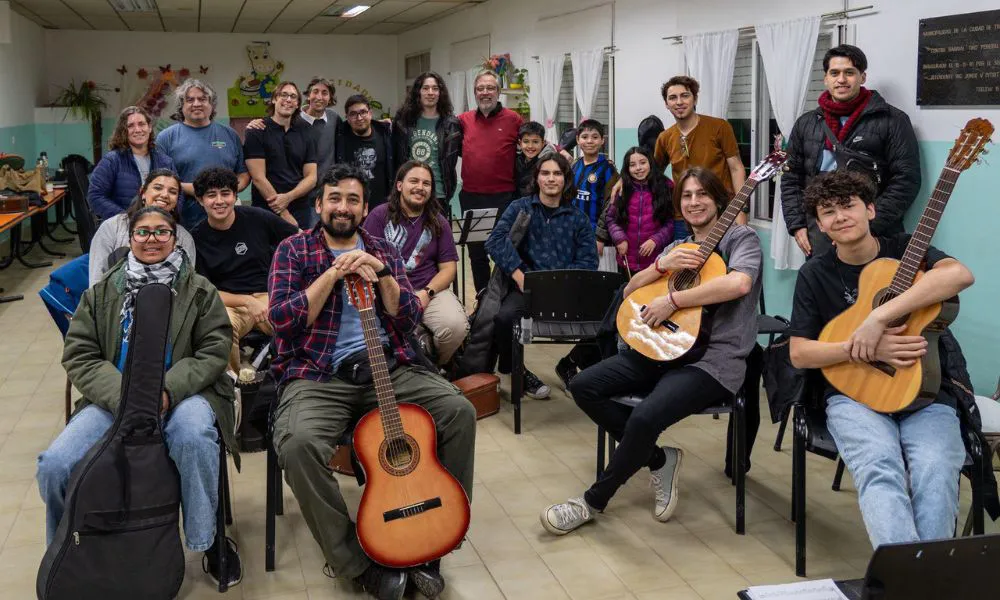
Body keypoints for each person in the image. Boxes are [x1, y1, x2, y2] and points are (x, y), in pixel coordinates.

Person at [268, 164, 476, 600]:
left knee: (458, 411)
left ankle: (438, 532)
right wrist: (331, 274)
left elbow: (408, 317)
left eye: (353, 200)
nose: (343, 207)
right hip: (319, 374)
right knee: (298, 445)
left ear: (366, 209)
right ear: (319, 204)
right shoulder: (293, 250)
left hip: (388, 364)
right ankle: (356, 563)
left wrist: (382, 274)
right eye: (335, 198)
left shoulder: (382, 248)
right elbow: (283, 321)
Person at [540, 167, 761, 535]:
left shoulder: (742, 238)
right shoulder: (677, 247)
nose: (694, 202)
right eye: (687, 195)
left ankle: (591, 502)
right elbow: (630, 291)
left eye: (702, 194)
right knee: (583, 385)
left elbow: (739, 283)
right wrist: (662, 264)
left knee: (644, 418)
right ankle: (659, 458)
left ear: (719, 200)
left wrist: (673, 300)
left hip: (712, 360)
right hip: (659, 348)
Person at [37, 205, 242, 588]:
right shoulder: (101, 292)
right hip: (114, 400)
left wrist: (165, 390)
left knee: (193, 436)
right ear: (130, 238)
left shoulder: (199, 290)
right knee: (55, 465)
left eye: (162, 231)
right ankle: (68, 547)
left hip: (182, 394)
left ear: (175, 239)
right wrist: (127, 396)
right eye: (143, 232)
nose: (152, 239)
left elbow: (214, 350)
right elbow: (79, 354)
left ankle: (207, 541)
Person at [787, 170, 974, 548]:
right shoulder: (814, 274)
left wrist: (879, 317)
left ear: (870, 210)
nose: (840, 217)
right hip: (853, 396)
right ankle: (907, 573)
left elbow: (959, 275)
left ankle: (919, 571)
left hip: (926, 393)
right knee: (879, 465)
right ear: (819, 225)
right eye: (828, 211)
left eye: (848, 206)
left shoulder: (906, 249)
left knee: (936, 469)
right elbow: (799, 353)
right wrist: (861, 347)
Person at [781, 44, 921, 258]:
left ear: (862, 77)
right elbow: (791, 177)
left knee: (876, 280)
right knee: (824, 280)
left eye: (849, 72)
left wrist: (868, 223)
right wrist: (797, 224)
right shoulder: (806, 123)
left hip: (875, 230)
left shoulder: (892, 120)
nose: (841, 79)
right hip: (821, 229)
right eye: (834, 73)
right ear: (826, 78)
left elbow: (906, 180)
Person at [485, 154, 598, 400]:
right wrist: (518, 274)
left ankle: (572, 364)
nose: (551, 179)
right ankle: (516, 370)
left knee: (609, 319)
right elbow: (495, 241)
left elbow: (589, 261)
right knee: (504, 319)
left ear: (566, 180)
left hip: (565, 291)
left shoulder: (577, 218)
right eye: (545, 173)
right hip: (526, 288)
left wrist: (563, 282)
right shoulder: (520, 207)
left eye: (557, 173)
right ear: (536, 178)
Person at [190, 167, 297, 376]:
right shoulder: (197, 238)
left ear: (235, 195)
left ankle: (288, 374)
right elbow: (207, 292)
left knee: (298, 319)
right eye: (211, 195)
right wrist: (247, 302)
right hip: (231, 304)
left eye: (225, 193)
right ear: (200, 200)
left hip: (269, 295)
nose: (219, 201)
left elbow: (297, 241)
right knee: (220, 328)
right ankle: (233, 383)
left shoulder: (257, 217)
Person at [362, 161, 468, 365]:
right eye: (414, 181)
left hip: (428, 291)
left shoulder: (439, 221)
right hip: (387, 292)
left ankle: (434, 367)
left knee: (455, 327)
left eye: (426, 183)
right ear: (399, 185)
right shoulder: (379, 216)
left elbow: (448, 269)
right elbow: (366, 259)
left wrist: (427, 293)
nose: (420, 187)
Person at [458, 70, 524, 293]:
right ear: (474, 92)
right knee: (477, 254)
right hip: (471, 197)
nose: (485, 92)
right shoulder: (463, 120)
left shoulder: (514, 119)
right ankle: (483, 299)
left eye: (490, 88)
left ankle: (504, 300)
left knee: (505, 251)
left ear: (498, 91)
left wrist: (560, 151)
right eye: (480, 88)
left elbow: (533, 143)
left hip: (504, 199)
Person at [653, 76, 747, 225]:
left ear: (695, 99)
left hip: (721, 213)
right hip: (684, 217)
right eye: (672, 98)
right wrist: (622, 181)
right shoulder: (665, 138)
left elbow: (736, 169)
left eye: (685, 95)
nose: (679, 102)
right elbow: (652, 174)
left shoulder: (719, 127)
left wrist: (740, 211)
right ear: (666, 104)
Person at [156, 79, 250, 227]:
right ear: (182, 106)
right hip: (182, 220)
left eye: (202, 99)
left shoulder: (230, 135)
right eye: (190, 100)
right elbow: (160, 180)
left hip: (226, 219)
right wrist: (201, 190)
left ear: (211, 104)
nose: (196, 104)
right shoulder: (166, 138)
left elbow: (243, 174)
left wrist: (224, 193)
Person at [89, 168, 196, 286]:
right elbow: (96, 281)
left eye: (173, 192)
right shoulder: (112, 227)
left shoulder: (184, 237)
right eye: (158, 188)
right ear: (143, 192)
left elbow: (187, 285)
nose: (165, 195)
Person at [243, 80, 318, 228]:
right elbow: (258, 178)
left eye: (293, 96)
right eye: (283, 95)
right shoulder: (257, 131)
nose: (288, 100)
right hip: (266, 209)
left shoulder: (306, 132)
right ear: (274, 99)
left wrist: (288, 197)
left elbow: (311, 177)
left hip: (301, 210)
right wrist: (283, 212)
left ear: (297, 104)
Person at [88, 106, 176, 220]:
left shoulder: (165, 161)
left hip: (160, 224)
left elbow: (178, 194)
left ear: (149, 127)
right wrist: (126, 218)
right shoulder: (112, 161)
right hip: (123, 226)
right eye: (130, 126)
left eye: (141, 124)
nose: (137, 130)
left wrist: (166, 218)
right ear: (123, 131)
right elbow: (95, 196)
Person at [392, 72, 462, 213]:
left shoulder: (451, 124)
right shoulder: (403, 121)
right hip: (409, 192)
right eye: (425, 88)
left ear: (440, 93)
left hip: (439, 194)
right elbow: (394, 156)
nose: (430, 92)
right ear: (418, 92)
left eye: (435, 88)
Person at [606, 146, 675, 275]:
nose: (638, 168)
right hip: (626, 261)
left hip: (656, 262)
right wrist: (619, 238)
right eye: (632, 165)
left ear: (650, 163)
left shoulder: (665, 187)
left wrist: (656, 240)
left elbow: (671, 222)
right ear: (627, 168)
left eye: (643, 163)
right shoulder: (622, 189)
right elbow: (610, 218)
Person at [335, 94, 394, 210]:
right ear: (347, 118)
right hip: (351, 205)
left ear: (370, 113)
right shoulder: (339, 136)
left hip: (382, 206)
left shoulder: (385, 134)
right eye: (353, 114)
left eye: (363, 112)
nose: (359, 118)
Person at [572, 119, 619, 255]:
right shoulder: (574, 165)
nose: (589, 141)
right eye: (584, 137)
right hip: (572, 231)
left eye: (595, 137)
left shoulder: (607, 168)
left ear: (602, 140)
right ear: (578, 140)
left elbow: (611, 205)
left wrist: (600, 236)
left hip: (594, 235)